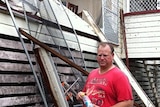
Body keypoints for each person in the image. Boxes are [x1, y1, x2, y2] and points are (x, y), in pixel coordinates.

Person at [77, 42, 133, 107]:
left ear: (112, 56)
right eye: (100, 55)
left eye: (105, 55)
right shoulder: (92, 74)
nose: (102, 58)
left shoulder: (119, 76)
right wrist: (81, 96)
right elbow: (86, 94)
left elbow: (128, 103)